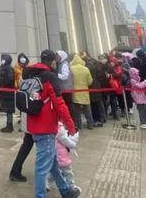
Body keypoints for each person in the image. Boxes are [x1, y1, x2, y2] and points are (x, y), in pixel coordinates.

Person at [23, 50, 80, 198]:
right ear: (52, 61)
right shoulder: (50, 77)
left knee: (52, 162)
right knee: (42, 167)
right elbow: (59, 103)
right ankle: (40, 195)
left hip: (33, 124)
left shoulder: (29, 74)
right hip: (46, 127)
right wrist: (70, 124)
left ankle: (65, 190)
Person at [70, 54, 94, 130]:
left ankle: (79, 125)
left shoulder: (71, 69)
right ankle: (90, 124)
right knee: (87, 109)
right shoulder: (85, 69)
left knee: (77, 110)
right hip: (84, 91)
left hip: (75, 91)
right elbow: (90, 81)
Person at [56, 51, 75, 123]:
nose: (56, 57)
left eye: (58, 56)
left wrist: (56, 75)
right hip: (64, 89)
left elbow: (65, 76)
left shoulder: (64, 65)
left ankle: (72, 121)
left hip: (66, 89)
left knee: (68, 106)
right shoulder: (60, 64)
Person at [86, 57, 106, 126]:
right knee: (99, 104)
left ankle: (96, 120)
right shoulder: (98, 68)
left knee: (94, 106)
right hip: (98, 87)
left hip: (92, 88)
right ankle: (102, 118)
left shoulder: (89, 68)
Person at [0, 53, 16, 133]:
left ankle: (9, 126)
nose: (2, 60)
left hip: (8, 91)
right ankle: (8, 125)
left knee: (9, 109)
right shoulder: (4, 67)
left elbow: (10, 78)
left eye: (3, 58)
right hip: (5, 91)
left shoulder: (9, 68)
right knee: (7, 108)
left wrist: (3, 84)